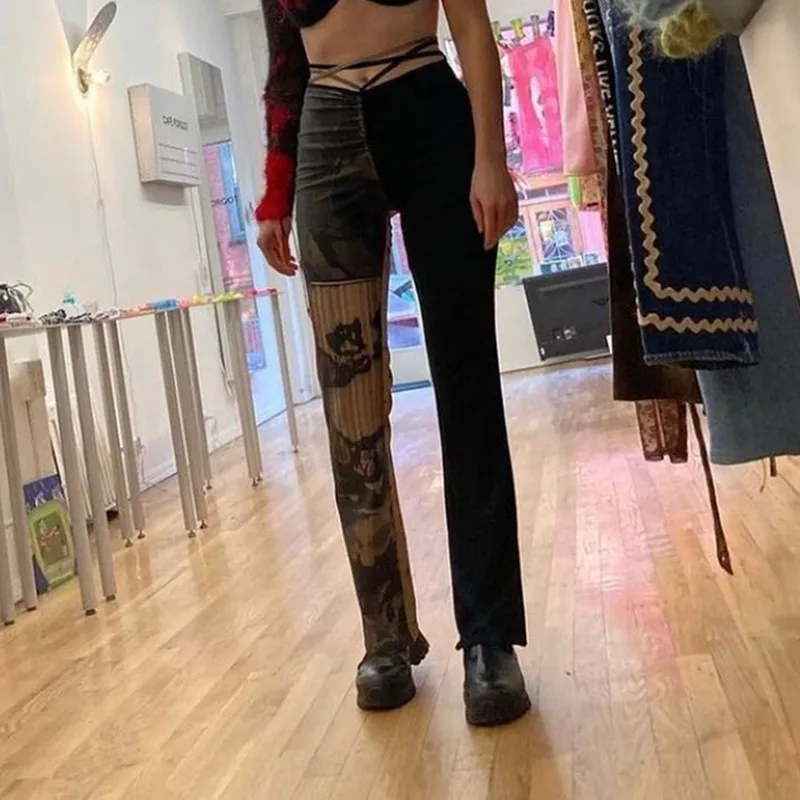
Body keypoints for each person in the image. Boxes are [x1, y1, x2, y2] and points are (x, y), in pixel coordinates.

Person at [256, 0, 529, 727]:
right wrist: (275, 191)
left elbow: (470, 26)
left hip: (429, 110)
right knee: (350, 407)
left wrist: (491, 157)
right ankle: (385, 636)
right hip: (325, 134)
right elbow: (284, 63)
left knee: (467, 383)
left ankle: (490, 637)